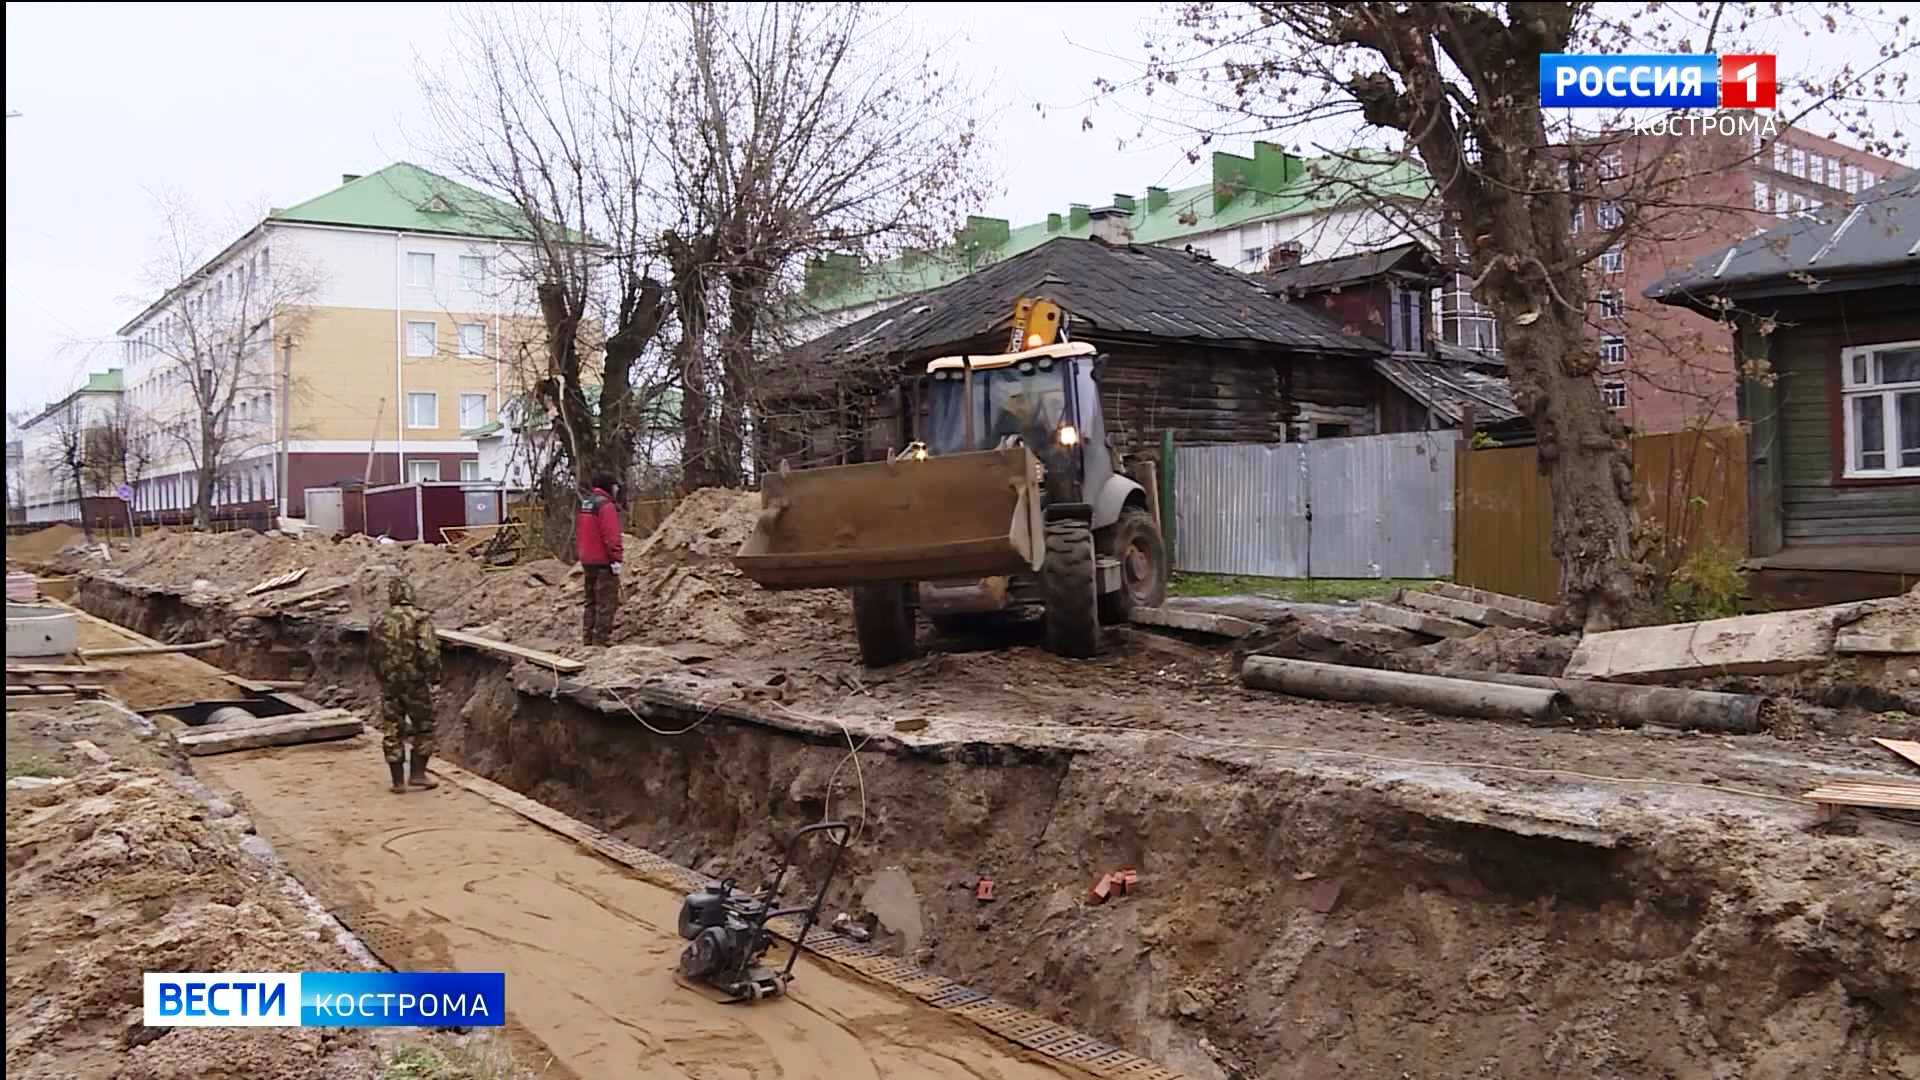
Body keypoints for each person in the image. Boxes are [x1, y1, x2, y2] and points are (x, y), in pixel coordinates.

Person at [368, 578, 441, 793]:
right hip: (415, 683)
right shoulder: (420, 618)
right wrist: (434, 676)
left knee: (392, 728)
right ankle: (418, 775)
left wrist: (382, 678)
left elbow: (371, 654)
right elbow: (429, 651)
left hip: (390, 684)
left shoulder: (379, 620)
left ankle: (397, 781)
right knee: (423, 726)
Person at [576, 472, 625, 646]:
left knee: (591, 601)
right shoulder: (606, 506)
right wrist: (616, 558)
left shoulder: (587, 503)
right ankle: (600, 641)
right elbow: (611, 536)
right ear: (609, 487)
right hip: (604, 561)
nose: (617, 489)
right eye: (615, 486)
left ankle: (588, 639)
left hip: (587, 559)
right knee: (606, 601)